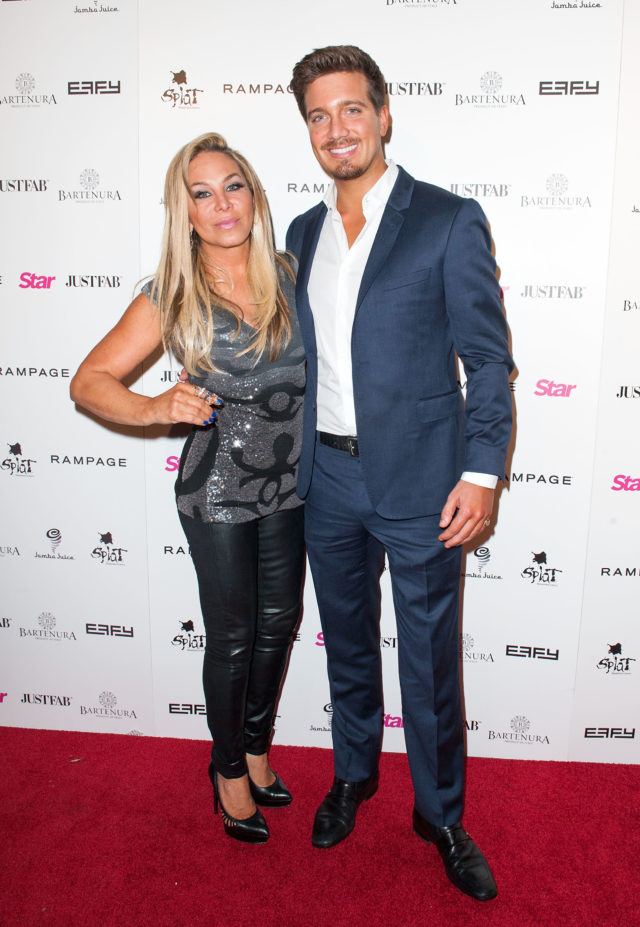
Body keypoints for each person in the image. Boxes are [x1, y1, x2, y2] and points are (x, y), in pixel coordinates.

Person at [286, 47, 513, 900]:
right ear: (308, 130)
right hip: (327, 479)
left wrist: (482, 471)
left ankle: (442, 814)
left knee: (429, 662)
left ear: (384, 115)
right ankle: (353, 774)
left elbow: (487, 360)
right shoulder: (300, 234)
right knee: (346, 643)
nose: (336, 128)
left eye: (352, 108)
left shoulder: (448, 220)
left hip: (424, 484)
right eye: (318, 115)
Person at [70, 132, 305, 844]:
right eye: (202, 193)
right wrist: (152, 408)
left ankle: (256, 748)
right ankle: (227, 769)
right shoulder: (171, 294)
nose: (222, 204)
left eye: (233, 186)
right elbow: (89, 382)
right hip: (217, 489)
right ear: (185, 212)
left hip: (292, 485)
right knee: (234, 637)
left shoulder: (290, 273)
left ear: (253, 195)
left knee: (279, 623)